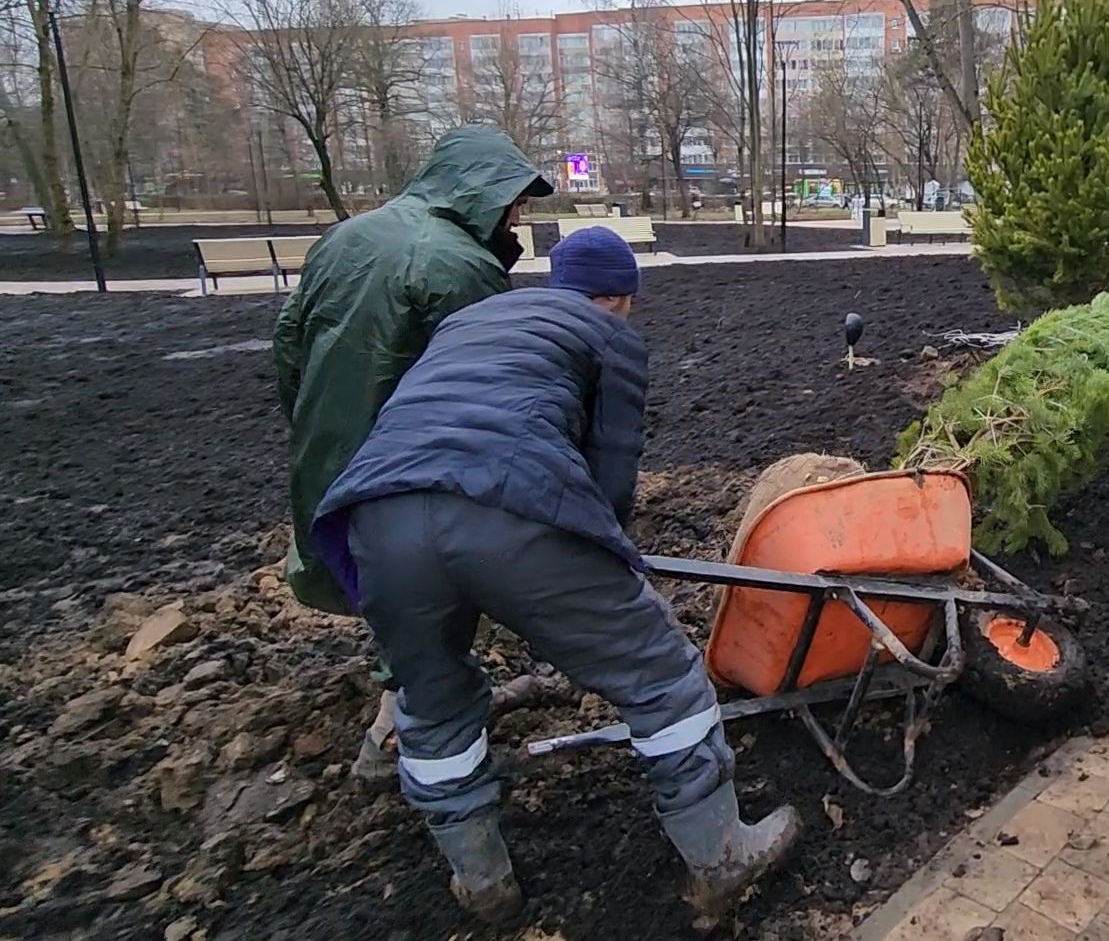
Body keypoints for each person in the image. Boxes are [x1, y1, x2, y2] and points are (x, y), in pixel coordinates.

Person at [308, 227, 800, 925]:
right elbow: (611, 472)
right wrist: (604, 570)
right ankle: (721, 856)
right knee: (660, 672)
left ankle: (482, 882)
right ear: (619, 298)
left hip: (376, 517)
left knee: (433, 693)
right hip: (509, 508)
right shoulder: (609, 334)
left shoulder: (470, 319)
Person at [273, 126, 549, 777]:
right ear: (479, 192)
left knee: (400, 605)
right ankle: (415, 756)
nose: (516, 219)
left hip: (330, 464)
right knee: (435, 609)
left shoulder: (344, 238)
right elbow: (492, 391)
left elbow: (288, 347)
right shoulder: (460, 266)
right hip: (409, 480)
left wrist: (321, 432)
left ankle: (412, 722)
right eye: (513, 205)